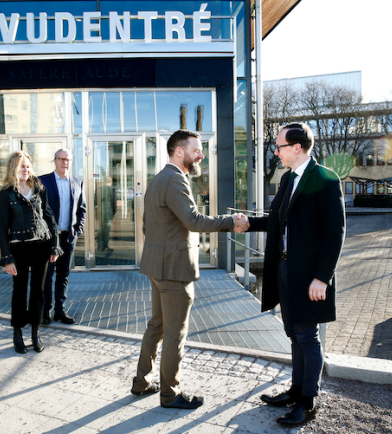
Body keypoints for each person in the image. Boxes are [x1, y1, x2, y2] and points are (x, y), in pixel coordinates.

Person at [130, 129, 247, 409]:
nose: (201, 154)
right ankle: (169, 394)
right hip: (174, 271)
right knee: (174, 335)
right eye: (197, 149)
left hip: (158, 269)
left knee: (156, 327)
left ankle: (141, 382)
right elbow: (193, 220)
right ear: (179, 151)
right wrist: (231, 221)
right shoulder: (174, 180)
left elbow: (148, 225)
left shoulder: (159, 179)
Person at [242, 122, 345, 427]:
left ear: (297, 148)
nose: (276, 151)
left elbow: (335, 234)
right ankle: (296, 390)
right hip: (285, 268)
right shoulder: (288, 178)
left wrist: (322, 278)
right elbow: (275, 220)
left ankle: (308, 401)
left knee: (308, 337)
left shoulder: (326, 179)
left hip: (310, 275)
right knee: (295, 334)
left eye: (280, 146)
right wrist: (244, 222)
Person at [0, 150, 60, 354]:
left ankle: (35, 332)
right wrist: (7, 258)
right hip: (18, 247)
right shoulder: (6, 193)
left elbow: (49, 217)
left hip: (41, 245)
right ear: (13, 168)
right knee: (20, 290)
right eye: (21, 166)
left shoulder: (39, 188)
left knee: (39, 291)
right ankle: (17, 333)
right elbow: (1, 226)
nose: (25, 169)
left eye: (27, 165)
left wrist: (55, 245)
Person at [39, 149, 87, 325]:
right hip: (49, 239)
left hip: (67, 237)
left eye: (67, 160)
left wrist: (77, 231)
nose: (64, 162)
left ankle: (60, 310)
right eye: (61, 159)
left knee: (63, 275)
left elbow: (82, 209)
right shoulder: (43, 181)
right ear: (55, 161)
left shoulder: (77, 183)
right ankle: (46, 311)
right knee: (48, 275)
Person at [99, 176, 117, 252]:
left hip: (100, 212)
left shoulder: (100, 189)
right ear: (111, 182)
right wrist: (113, 213)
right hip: (108, 212)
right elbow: (114, 203)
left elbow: (95, 201)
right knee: (107, 229)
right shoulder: (112, 190)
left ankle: (100, 245)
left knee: (102, 229)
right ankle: (105, 245)